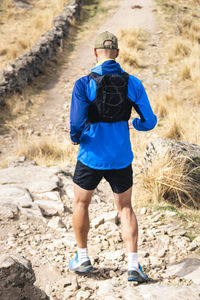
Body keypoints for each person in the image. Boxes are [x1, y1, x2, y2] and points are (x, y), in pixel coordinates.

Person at [69, 31, 157, 282]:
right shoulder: (133, 82)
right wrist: (136, 125)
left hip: (90, 155)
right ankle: (132, 266)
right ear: (117, 53)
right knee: (125, 207)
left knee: (81, 204)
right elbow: (149, 121)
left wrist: (76, 138)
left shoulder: (83, 83)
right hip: (121, 157)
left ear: (95, 53)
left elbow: (76, 122)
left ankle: (83, 257)